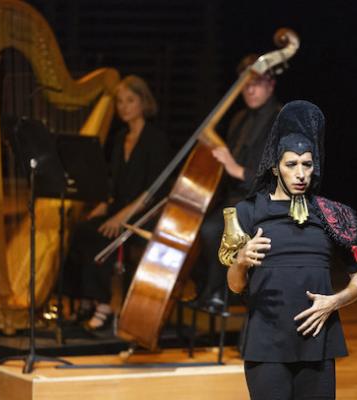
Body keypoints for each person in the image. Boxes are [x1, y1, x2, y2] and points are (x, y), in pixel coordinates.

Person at [219, 100, 357, 399]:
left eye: (307, 164)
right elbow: (236, 286)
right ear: (275, 167)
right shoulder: (249, 212)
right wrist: (241, 261)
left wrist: (334, 302)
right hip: (266, 342)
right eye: (291, 164)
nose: (301, 173)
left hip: (317, 342)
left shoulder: (331, 215)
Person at [63, 75, 171, 331]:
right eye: (120, 101)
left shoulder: (156, 140)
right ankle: (84, 300)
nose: (124, 107)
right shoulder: (120, 137)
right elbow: (113, 187)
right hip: (119, 207)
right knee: (82, 230)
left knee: (104, 236)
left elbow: (152, 192)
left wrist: (120, 217)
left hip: (144, 212)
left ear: (143, 102)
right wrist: (102, 208)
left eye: (130, 100)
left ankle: (104, 305)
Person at [192, 54, 281, 307]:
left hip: (263, 201)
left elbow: (274, 177)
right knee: (193, 227)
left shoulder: (280, 120)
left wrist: (234, 167)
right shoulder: (239, 119)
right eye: (245, 84)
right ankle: (207, 288)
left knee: (212, 230)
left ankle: (221, 293)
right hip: (235, 200)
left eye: (257, 83)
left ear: (271, 85)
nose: (250, 90)